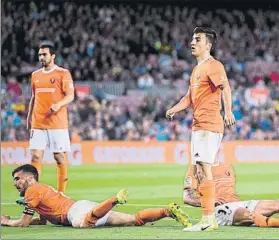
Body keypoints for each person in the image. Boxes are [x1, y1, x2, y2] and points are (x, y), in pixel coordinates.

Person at [166, 27, 236, 231]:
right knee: (198, 170)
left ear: (208, 44)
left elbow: (226, 88)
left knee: (205, 169)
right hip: (198, 126)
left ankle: (208, 220)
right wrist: (174, 109)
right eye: (192, 39)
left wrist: (228, 111)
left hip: (209, 124)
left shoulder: (214, 66)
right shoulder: (197, 69)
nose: (192, 42)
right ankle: (207, 218)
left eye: (197, 39)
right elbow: (189, 97)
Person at [1, 164, 192, 228]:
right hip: (83, 206)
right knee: (133, 220)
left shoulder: (32, 191)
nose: (15, 183)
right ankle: (166, 211)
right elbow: (41, 221)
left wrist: (7, 221)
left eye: (17, 179)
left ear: (28, 178)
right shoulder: (42, 189)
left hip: (76, 212)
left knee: (84, 224)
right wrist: (28, 215)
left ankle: (113, 199)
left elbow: (24, 223)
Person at [26, 40, 75, 193]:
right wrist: (29, 117)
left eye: (44, 54)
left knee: (59, 157)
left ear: (52, 56)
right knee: (35, 156)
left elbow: (71, 95)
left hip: (57, 124)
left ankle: (61, 194)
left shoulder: (63, 73)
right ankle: (33, 194)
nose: (41, 57)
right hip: (38, 122)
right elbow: (34, 97)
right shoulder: (35, 75)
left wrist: (59, 104)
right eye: (39, 54)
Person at [183, 160, 279, 228]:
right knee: (248, 215)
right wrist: (209, 202)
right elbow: (187, 198)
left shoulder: (227, 166)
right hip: (219, 209)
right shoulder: (196, 168)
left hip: (238, 204)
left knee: (276, 204)